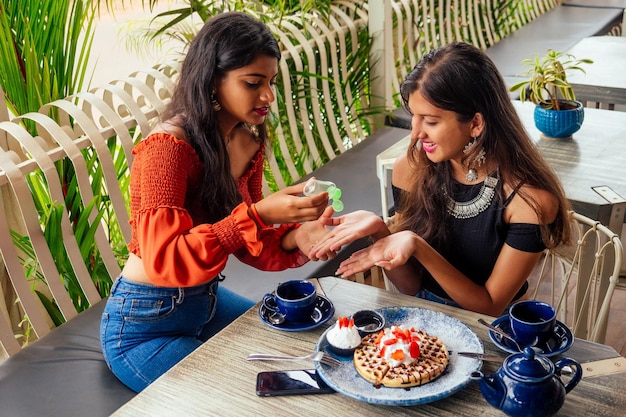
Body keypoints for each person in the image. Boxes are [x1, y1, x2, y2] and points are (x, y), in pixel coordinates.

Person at [100, 11, 334, 392]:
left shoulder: (245, 143)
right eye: (253, 83)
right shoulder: (167, 151)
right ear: (212, 81)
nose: (268, 96)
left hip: (204, 304)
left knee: (294, 352)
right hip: (143, 326)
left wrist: (298, 237)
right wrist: (257, 215)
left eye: (271, 82)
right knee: (246, 393)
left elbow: (246, 243)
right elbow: (165, 259)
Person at [310, 42, 572, 317]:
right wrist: (379, 232)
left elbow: (490, 305)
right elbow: (411, 286)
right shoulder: (410, 170)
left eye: (431, 121)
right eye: (414, 117)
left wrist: (418, 246)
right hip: (421, 319)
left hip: (494, 332)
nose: (416, 133)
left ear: (475, 124)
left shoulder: (529, 201)